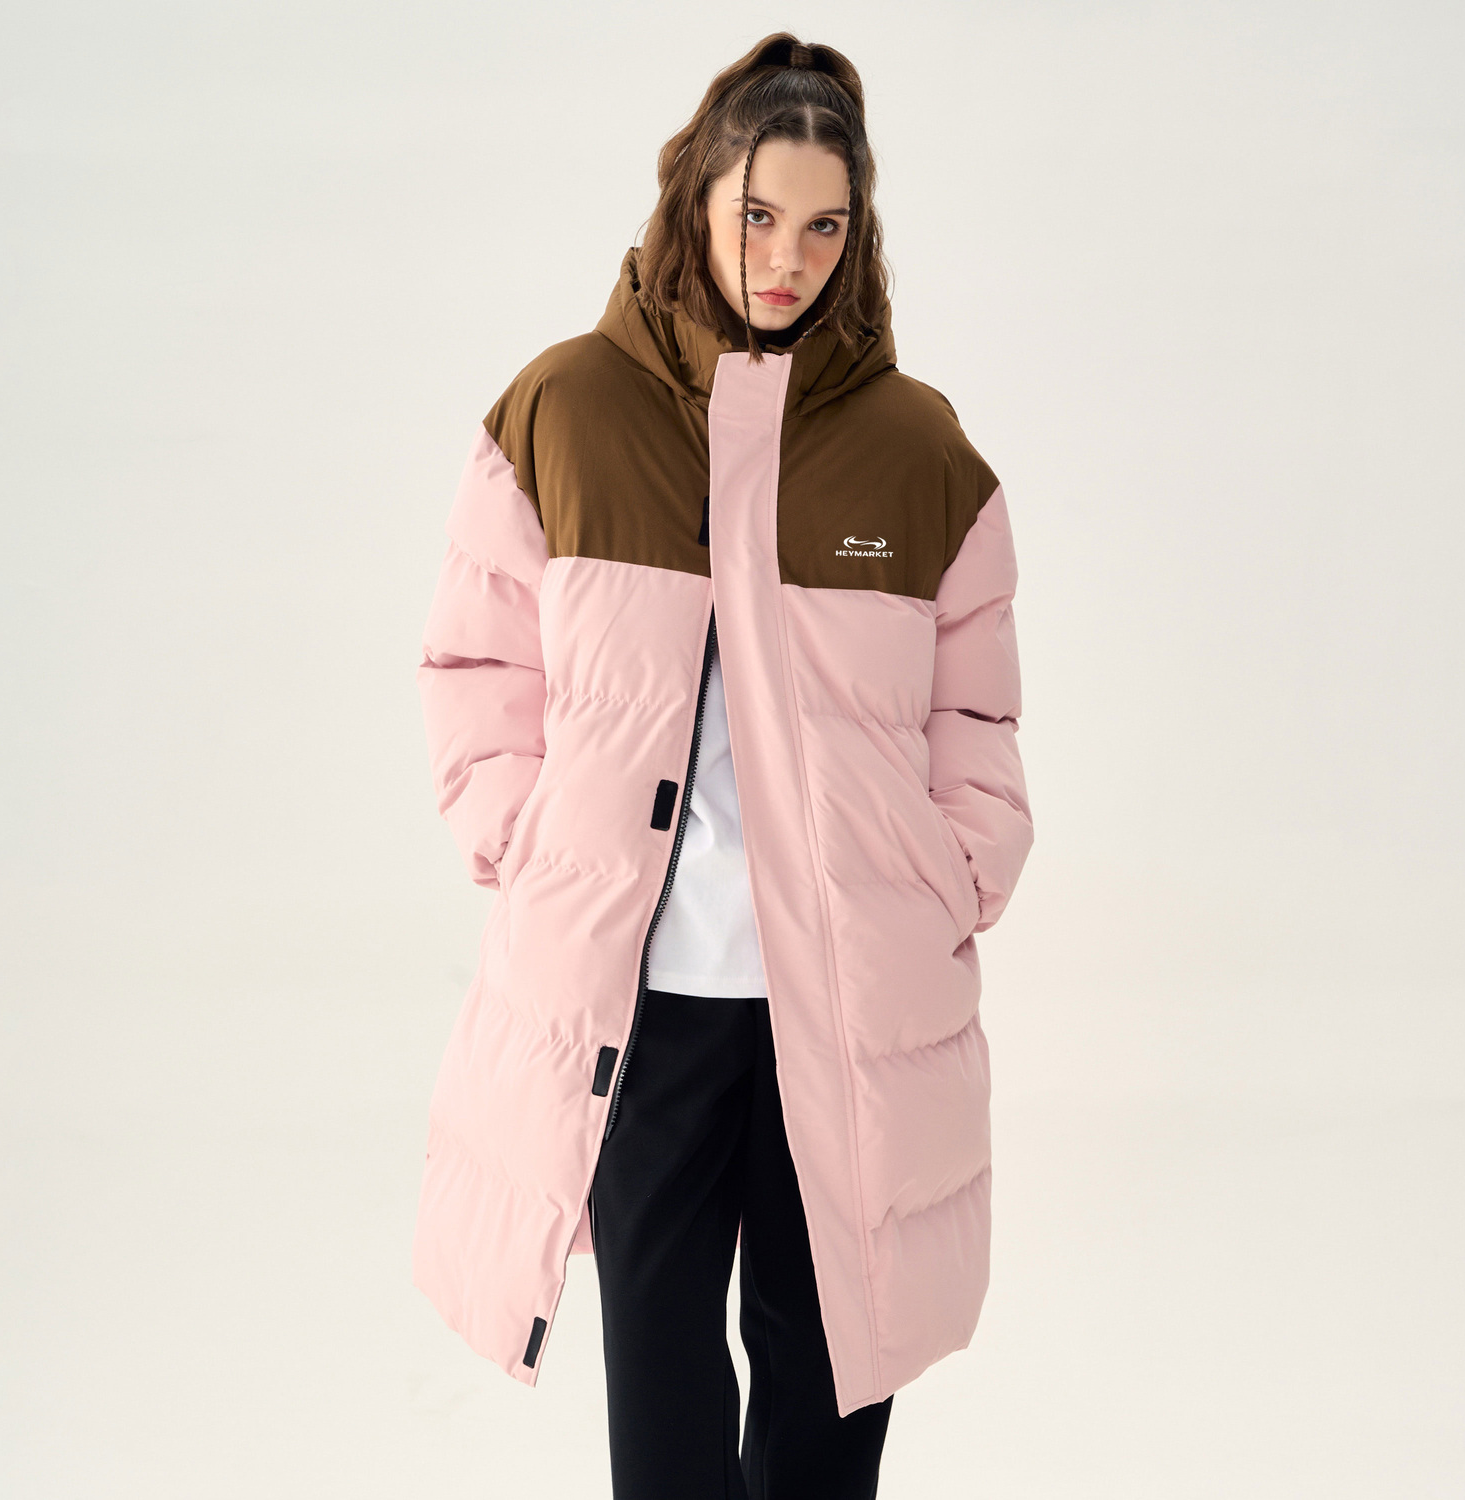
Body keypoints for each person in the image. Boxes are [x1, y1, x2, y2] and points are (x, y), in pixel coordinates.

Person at [410, 31, 1034, 1500]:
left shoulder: (916, 449)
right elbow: (477, 672)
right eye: (757, 214)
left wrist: (949, 880)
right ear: (696, 192)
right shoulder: (566, 412)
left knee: (826, 1404)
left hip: (851, 1005)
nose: (787, 260)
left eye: (824, 226)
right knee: (666, 1408)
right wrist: (532, 845)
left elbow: (979, 729)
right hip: (644, 1011)